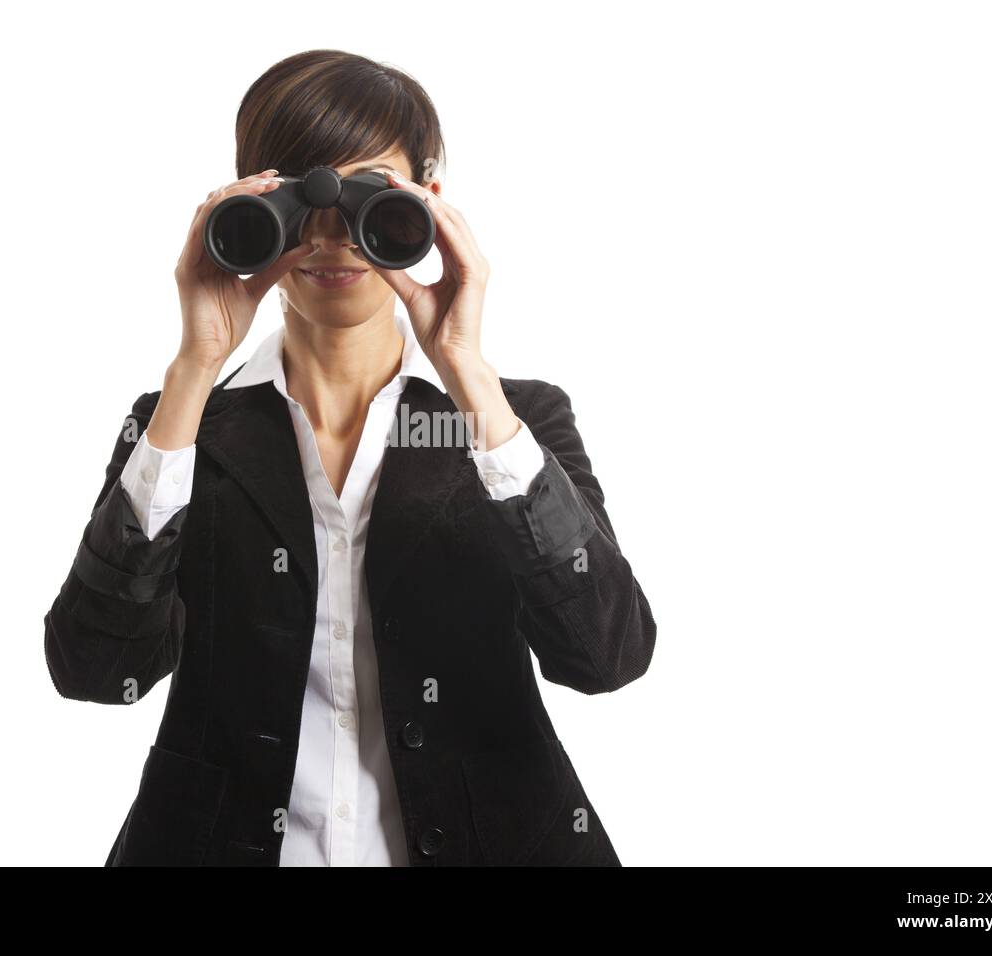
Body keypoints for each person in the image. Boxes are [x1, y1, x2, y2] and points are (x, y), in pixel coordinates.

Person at [43, 49, 657, 867]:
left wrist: (468, 374)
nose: (332, 236)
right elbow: (95, 667)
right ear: (247, 202)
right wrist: (193, 370)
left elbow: (606, 656)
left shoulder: (518, 420)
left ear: (426, 201)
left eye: (369, 192)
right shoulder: (181, 427)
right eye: (300, 198)